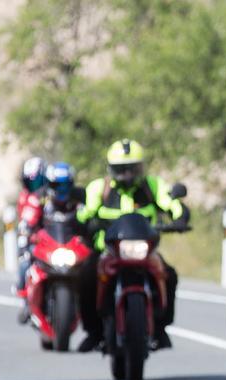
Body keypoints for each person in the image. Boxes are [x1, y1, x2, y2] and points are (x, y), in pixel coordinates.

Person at [76, 139, 189, 352]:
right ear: (111, 168)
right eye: (121, 169)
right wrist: (82, 223)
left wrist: (181, 216)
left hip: (145, 252)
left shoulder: (152, 186)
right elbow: (84, 213)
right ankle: (93, 331)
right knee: (86, 276)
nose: (127, 175)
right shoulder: (100, 188)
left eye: (132, 169)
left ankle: (160, 327)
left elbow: (171, 203)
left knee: (170, 275)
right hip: (107, 252)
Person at [15, 162, 82, 323]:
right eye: (57, 185)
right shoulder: (38, 198)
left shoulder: (80, 197)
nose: (61, 189)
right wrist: (27, 234)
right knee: (25, 261)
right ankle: (26, 300)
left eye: (65, 185)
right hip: (46, 245)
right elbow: (27, 221)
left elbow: (88, 218)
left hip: (70, 245)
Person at [13, 157, 47, 298]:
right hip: (33, 239)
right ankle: (24, 291)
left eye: (37, 181)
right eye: (30, 182)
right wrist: (25, 238)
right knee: (24, 261)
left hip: (52, 239)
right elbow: (24, 222)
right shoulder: (24, 198)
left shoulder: (53, 195)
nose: (34, 186)